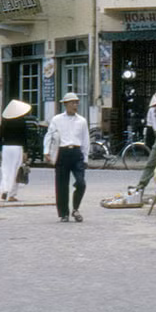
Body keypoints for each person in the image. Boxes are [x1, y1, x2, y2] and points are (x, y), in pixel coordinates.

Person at [44, 92, 90, 223]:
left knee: (81, 183)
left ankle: (76, 208)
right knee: (61, 184)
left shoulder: (82, 121)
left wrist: (85, 158)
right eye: (72, 103)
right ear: (66, 104)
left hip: (76, 152)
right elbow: (50, 135)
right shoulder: (57, 120)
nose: (75, 105)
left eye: (76, 102)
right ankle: (64, 213)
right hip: (62, 153)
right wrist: (47, 151)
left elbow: (85, 140)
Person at [0, 99, 32, 202]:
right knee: (15, 170)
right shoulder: (21, 121)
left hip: (6, 148)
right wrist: (26, 151)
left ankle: (4, 190)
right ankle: (11, 194)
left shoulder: (5, 120)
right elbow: (24, 138)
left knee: (6, 170)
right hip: (17, 148)